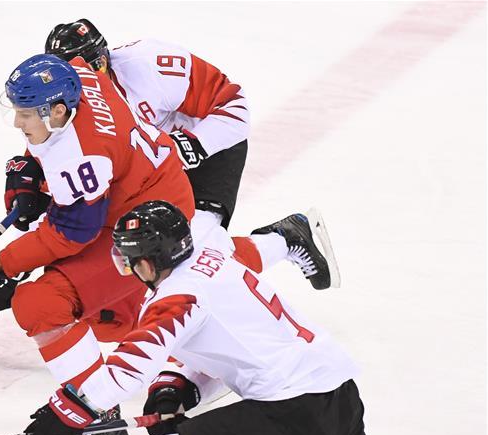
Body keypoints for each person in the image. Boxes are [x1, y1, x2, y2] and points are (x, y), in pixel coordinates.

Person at [0, 52, 194, 435]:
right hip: (134, 193)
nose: (18, 122)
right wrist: (29, 171)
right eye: (14, 109)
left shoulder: (81, 157)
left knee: (41, 303)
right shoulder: (77, 75)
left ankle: (100, 428)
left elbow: (72, 233)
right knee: (108, 319)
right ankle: (278, 245)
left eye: (25, 113)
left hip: (138, 221)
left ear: (57, 110)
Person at [20, 200, 377, 435]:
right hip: (340, 400)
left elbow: (133, 364)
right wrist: (177, 390)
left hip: (291, 414)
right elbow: (233, 345)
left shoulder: (179, 296)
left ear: (145, 263)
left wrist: (71, 409)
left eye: (126, 260)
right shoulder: (216, 258)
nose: (125, 268)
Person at [44, 19, 340, 290]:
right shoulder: (59, 105)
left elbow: (234, 107)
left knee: (189, 256)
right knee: (142, 259)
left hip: (207, 151)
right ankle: (285, 238)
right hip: (151, 173)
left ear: (105, 58)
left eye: (94, 66)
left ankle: (283, 241)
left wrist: (189, 146)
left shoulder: (149, 64)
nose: (88, 82)